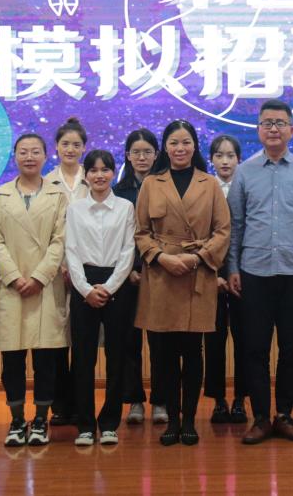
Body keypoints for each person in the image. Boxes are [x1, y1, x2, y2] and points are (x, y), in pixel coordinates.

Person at [227, 99, 293, 445]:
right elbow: (236, 226)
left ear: (292, 130)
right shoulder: (245, 171)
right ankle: (260, 418)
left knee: (290, 349)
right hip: (253, 273)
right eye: (267, 123)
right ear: (258, 130)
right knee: (254, 349)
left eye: (280, 123)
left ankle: (284, 415)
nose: (273, 128)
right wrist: (232, 267)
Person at [134, 120, 231, 446]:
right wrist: (162, 258)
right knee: (163, 355)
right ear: (165, 147)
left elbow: (222, 231)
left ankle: (189, 419)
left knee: (193, 352)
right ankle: (171, 421)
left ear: (194, 146)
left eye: (186, 142)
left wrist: (197, 258)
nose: (180, 148)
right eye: (174, 143)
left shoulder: (210, 184)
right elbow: (141, 232)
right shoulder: (151, 183)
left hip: (197, 274)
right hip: (161, 275)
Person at [0, 133, 69, 446]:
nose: (30, 157)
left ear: (46, 156)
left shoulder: (58, 196)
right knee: (13, 360)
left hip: (45, 287)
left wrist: (38, 277)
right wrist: (14, 277)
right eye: (23, 152)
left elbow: (60, 241)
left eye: (35, 151)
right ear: (15, 156)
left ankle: (41, 420)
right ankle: (17, 420)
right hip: (12, 288)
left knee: (46, 359)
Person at [65, 149, 136, 446]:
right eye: (93, 170)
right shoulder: (75, 209)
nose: (99, 175)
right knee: (83, 357)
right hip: (84, 283)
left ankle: (109, 424)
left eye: (105, 169)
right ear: (86, 174)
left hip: (116, 285)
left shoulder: (125, 208)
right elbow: (70, 251)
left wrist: (110, 286)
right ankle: (84, 425)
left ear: (113, 172)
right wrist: (85, 289)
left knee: (117, 357)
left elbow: (128, 251)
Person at [114, 128, 169, 425]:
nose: (142, 157)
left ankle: (161, 400)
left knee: (160, 342)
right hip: (127, 276)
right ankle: (134, 400)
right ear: (127, 155)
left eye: (147, 151)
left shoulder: (166, 186)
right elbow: (117, 237)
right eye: (136, 152)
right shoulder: (118, 191)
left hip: (159, 272)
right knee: (128, 342)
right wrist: (130, 270)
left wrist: (151, 265)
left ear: (156, 154)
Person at [46, 117, 89, 427]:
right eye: (65, 144)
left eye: (76, 144)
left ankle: (82, 403)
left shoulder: (95, 178)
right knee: (58, 339)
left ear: (84, 148)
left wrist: (80, 269)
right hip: (56, 271)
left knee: (84, 341)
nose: (70, 149)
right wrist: (60, 265)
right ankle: (61, 405)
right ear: (56, 148)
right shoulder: (46, 182)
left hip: (89, 270)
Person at [203, 135, 249, 424]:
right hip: (211, 272)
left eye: (230, 155)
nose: (225, 161)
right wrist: (212, 273)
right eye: (219, 155)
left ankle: (241, 399)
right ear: (211, 159)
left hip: (246, 272)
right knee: (214, 340)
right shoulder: (206, 188)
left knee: (246, 339)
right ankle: (218, 400)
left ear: (239, 159)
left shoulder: (247, 186)